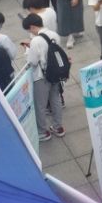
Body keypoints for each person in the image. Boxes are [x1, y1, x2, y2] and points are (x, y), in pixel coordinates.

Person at [21, 11, 66, 139]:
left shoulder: (35, 41)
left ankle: (42, 132)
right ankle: (58, 127)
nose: (30, 32)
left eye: (29, 30)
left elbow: (32, 62)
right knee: (55, 99)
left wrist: (27, 50)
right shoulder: (54, 35)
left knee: (40, 105)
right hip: (55, 73)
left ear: (32, 27)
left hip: (41, 77)